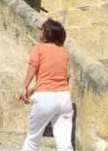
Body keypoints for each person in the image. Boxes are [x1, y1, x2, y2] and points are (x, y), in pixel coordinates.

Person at [18, 18, 72, 151]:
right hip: (64, 98)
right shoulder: (63, 52)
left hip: (45, 98)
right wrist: (30, 91)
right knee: (64, 143)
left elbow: (33, 69)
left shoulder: (39, 49)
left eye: (42, 29)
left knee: (32, 140)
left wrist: (24, 87)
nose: (40, 32)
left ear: (48, 33)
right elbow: (56, 78)